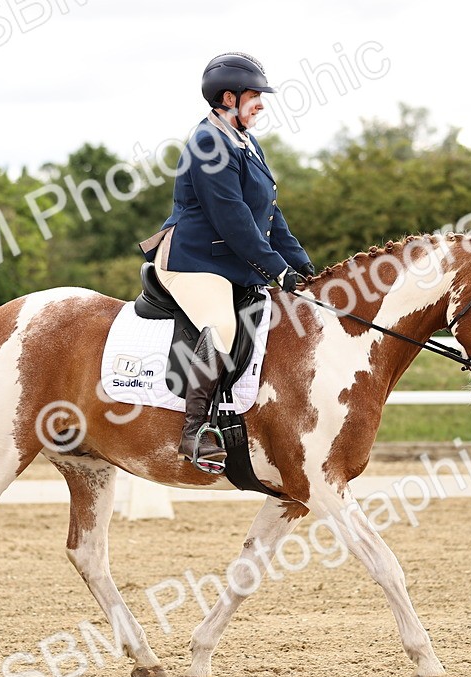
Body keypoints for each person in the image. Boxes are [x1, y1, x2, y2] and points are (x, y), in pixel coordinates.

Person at [140, 52, 315, 474]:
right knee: (222, 325)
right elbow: (234, 221)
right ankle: (196, 431)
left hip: (228, 264)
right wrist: (276, 271)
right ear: (228, 97)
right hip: (193, 261)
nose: (261, 104)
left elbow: (269, 218)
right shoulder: (207, 143)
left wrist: (305, 269)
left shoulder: (245, 141)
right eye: (255, 96)